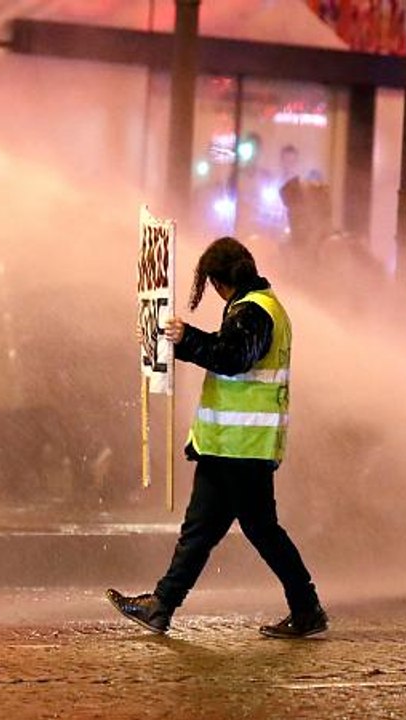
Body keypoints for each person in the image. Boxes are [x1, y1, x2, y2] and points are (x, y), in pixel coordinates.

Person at [107, 236, 326, 639]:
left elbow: (231, 357)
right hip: (226, 446)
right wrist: (178, 342)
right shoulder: (258, 307)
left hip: (241, 448)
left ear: (219, 282)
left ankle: (306, 607)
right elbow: (227, 352)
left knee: (259, 530)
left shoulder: (254, 312)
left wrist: (186, 338)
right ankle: (161, 605)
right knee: (202, 530)